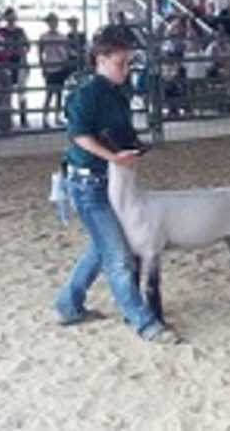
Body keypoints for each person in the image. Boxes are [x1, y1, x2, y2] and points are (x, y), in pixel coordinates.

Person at [54, 24, 182, 344]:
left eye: (128, 63)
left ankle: (68, 304)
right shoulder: (86, 94)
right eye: (120, 63)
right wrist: (113, 158)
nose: (126, 69)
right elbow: (79, 136)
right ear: (101, 59)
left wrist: (130, 149)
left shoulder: (119, 93)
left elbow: (119, 132)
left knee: (102, 247)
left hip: (112, 182)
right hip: (88, 183)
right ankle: (143, 322)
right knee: (119, 255)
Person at [0, 8, 31, 127]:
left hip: (20, 62)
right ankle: (8, 119)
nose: (12, 20)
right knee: (7, 92)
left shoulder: (20, 31)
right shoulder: (2, 31)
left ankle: (23, 117)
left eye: (13, 17)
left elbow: (28, 46)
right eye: (9, 18)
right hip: (7, 63)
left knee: (22, 91)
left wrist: (22, 51)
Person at [39, 13, 71, 127]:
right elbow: (40, 53)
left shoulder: (62, 37)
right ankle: (45, 118)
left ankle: (57, 117)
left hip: (60, 67)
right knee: (49, 93)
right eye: (51, 21)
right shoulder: (43, 37)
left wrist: (65, 61)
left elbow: (67, 51)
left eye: (54, 21)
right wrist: (42, 67)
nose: (53, 24)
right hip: (49, 67)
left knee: (59, 93)